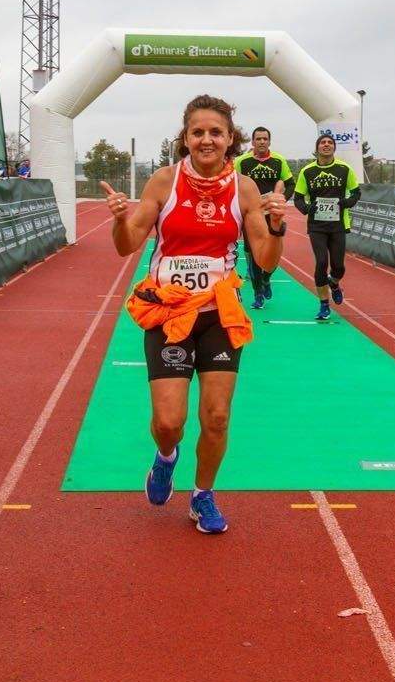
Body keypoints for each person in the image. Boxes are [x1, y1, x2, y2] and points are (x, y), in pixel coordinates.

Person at [101, 94, 287, 534]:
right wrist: (117, 219)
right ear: (185, 138)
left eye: (216, 132)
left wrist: (277, 226)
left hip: (219, 313)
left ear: (230, 140)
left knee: (217, 417)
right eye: (198, 132)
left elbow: (265, 260)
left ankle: (202, 495)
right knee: (169, 423)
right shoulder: (164, 183)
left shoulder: (244, 189)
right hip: (168, 314)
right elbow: (128, 245)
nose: (207, 139)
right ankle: (166, 458)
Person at [293, 134, 361, 322]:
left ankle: (334, 283)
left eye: (330, 143)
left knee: (338, 267)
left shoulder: (344, 169)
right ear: (317, 148)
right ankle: (324, 304)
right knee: (321, 262)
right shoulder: (308, 171)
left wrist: (345, 203)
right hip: (317, 226)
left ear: (334, 148)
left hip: (338, 225)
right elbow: (298, 198)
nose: (326, 145)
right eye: (323, 143)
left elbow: (356, 193)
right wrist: (307, 208)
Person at [235, 126, 294, 309]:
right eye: (258, 139)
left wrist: (280, 200)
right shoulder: (242, 162)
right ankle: (258, 293)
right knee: (253, 254)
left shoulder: (278, 161)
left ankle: (267, 278)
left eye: (265, 139)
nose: (261, 142)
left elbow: (290, 183)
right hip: (250, 215)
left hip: (271, 214)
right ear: (252, 142)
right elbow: (232, 184)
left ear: (269, 141)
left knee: (272, 251)